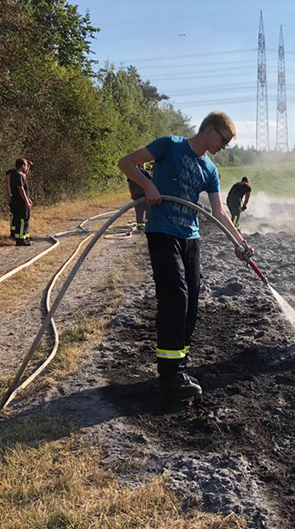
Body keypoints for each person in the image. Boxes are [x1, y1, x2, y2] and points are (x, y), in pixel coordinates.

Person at [117, 111, 254, 401]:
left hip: (190, 238)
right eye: (224, 140)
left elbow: (220, 211)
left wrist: (239, 242)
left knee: (191, 300)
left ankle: (179, 365)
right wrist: (149, 184)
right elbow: (126, 163)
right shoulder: (170, 145)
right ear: (210, 130)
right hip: (163, 233)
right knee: (175, 297)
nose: (224, 146)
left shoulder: (210, 169)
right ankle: (168, 376)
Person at [10, 158, 33, 246]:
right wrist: (26, 201)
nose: (27, 167)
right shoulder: (18, 175)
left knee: (22, 220)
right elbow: (21, 189)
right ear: (22, 165)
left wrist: (28, 198)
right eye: (26, 165)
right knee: (22, 220)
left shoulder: (17, 175)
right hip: (20, 203)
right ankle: (20, 240)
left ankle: (23, 237)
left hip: (19, 201)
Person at [127, 162, 153, 231]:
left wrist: (132, 194)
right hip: (145, 195)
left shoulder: (130, 174)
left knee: (139, 212)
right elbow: (151, 183)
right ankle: (148, 226)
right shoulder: (146, 173)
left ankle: (140, 226)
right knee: (149, 210)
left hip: (136, 196)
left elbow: (130, 185)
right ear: (141, 164)